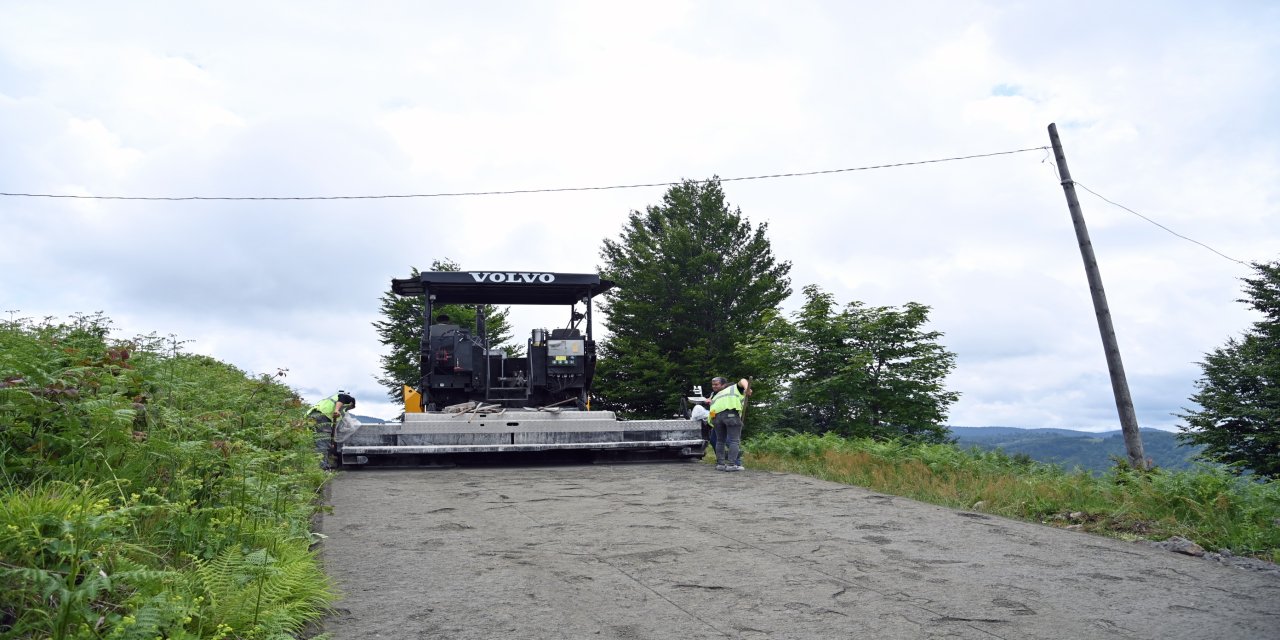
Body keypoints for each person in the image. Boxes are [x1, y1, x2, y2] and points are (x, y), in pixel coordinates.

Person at [708, 376, 750, 472]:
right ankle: (732, 465)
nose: (714, 386)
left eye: (716, 384)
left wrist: (711, 421)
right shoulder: (733, 389)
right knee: (734, 441)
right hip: (731, 415)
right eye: (713, 384)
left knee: (720, 441)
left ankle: (721, 464)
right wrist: (747, 388)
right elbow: (742, 380)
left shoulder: (716, 396)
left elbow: (712, 410)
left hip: (716, 418)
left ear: (724, 385)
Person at [307, 391, 355, 469]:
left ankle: (317, 466)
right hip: (321, 417)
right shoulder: (345, 398)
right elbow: (342, 398)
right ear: (351, 403)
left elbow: (333, 427)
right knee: (323, 442)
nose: (347, 410)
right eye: (350, 408)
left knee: (319, 442)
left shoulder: (335, 410)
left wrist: (332, 441)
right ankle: (322, 468)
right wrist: (336, 410)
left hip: (313, 416)